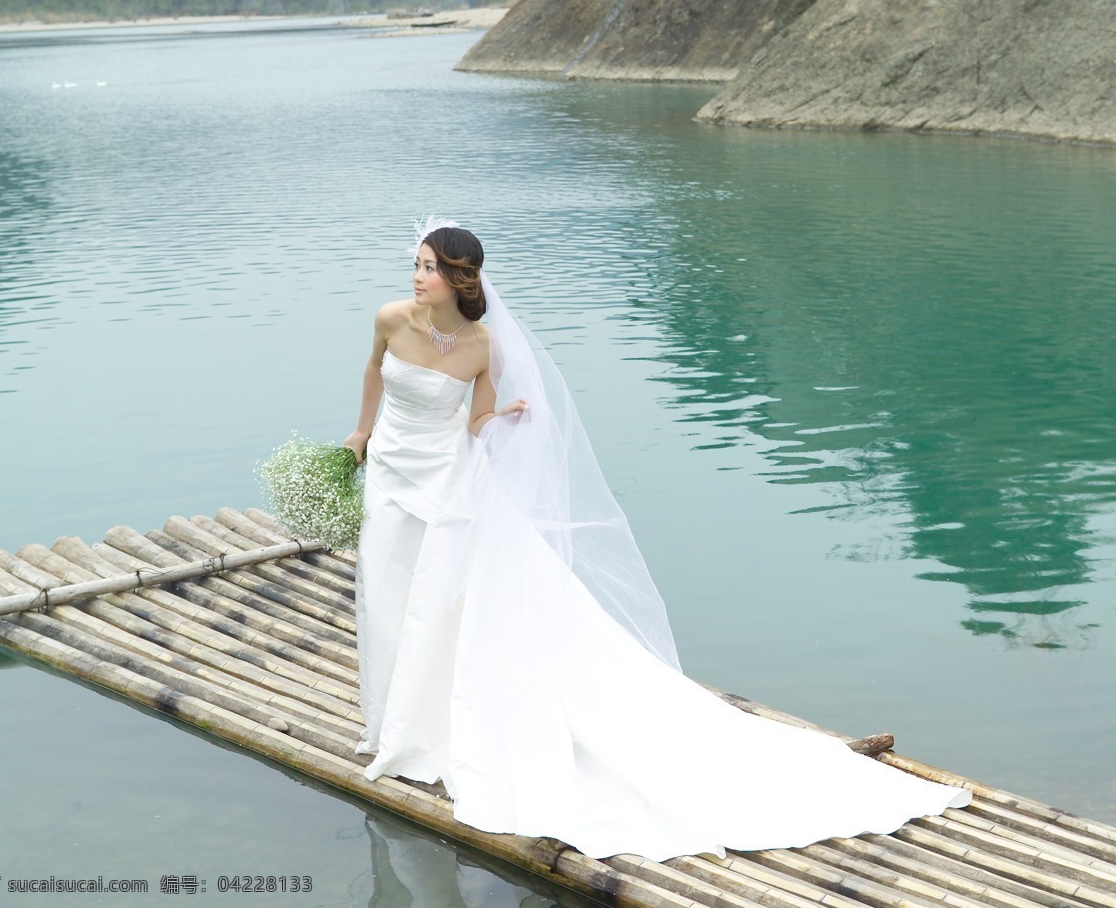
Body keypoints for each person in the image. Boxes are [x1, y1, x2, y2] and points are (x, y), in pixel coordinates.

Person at [343, 218, 969, 862]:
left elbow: (474, 422)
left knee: (442, 599)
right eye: (415, 264)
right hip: (393, 470)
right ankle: (395, 720)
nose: (414, 276)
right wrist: (360, 436)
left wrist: (503, 415)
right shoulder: (391, 319)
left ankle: (428, 729)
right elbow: (371, 375)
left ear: (456, 279)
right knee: (390, 588)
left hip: (450, 483)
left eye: (425, 267)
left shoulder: (484, 346)